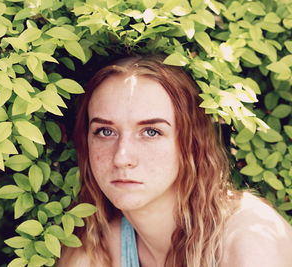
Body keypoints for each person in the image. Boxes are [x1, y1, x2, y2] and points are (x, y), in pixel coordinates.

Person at [57, 55, 292, 267]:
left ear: (191, 142)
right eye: (105, 132)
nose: (122, 157)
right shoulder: (100, 243)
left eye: (151, 132)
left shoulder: (249, 241)